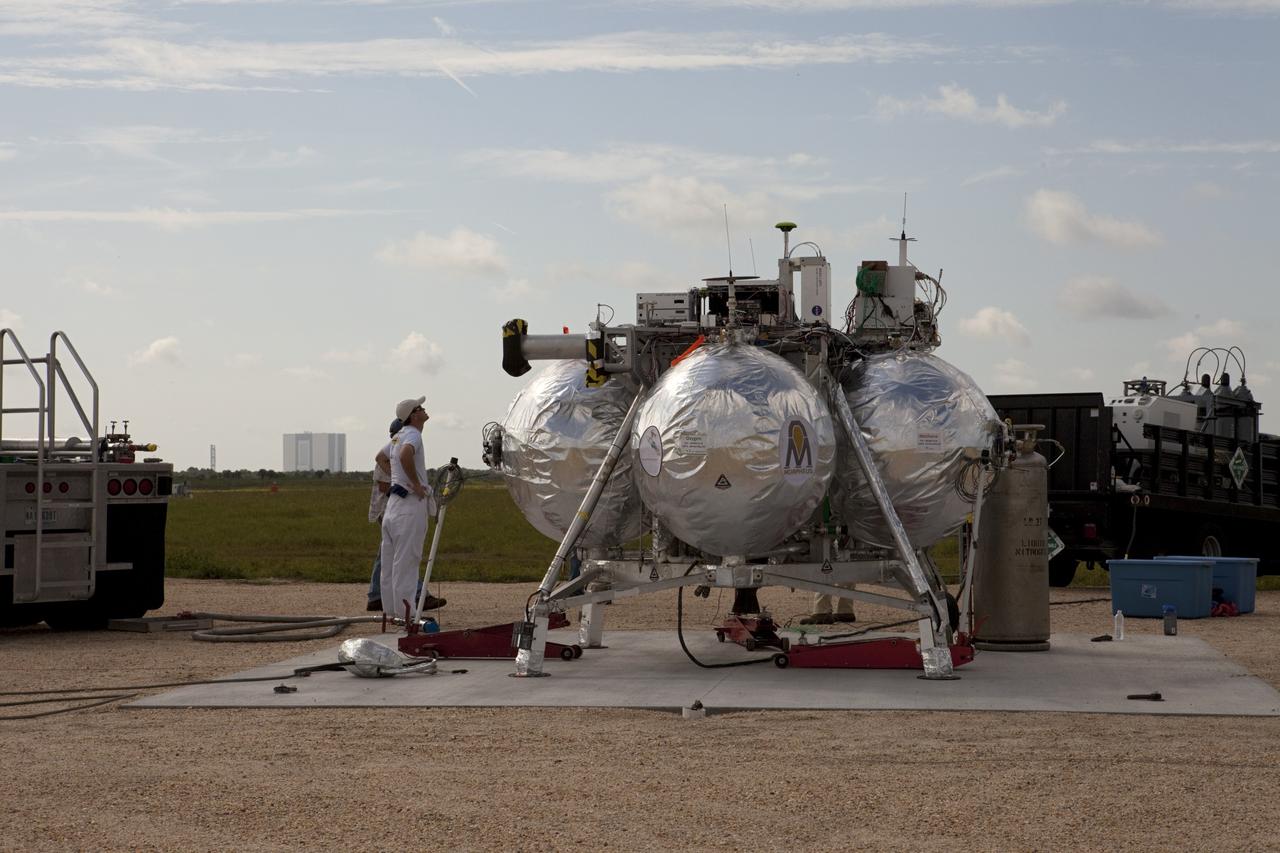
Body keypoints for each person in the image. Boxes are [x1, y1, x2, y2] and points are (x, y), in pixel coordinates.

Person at [379, 396, 446, 621]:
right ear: (413, 415)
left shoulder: (397, 436)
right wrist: (416, 485)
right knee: (407, 562)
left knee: (390, 564)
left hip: (393, 507)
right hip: (409, 507)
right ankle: (407, 615)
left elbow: (380, 457)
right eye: (421, 408)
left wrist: (397, 478)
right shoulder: (413, 435)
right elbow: (406, 454)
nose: (425, 409)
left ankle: (391, 613)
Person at [365, 417, 402, 612]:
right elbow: (383, 485)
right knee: (400, 549)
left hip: (395, 509)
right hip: (385, 509)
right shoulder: (387, 456)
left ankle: (376, 594)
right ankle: (419, 592)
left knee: (389, 551)